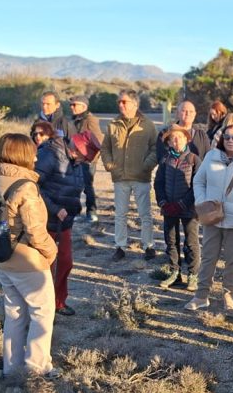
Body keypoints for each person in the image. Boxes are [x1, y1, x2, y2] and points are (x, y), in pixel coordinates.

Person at [0, 133, 59, 380]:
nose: (36, 157)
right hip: (28, 261)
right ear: (22, 155)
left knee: (14, 313)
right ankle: (37, 369)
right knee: (42, 313)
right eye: (32, 153)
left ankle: (12, 367)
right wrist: (51, 252)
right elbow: (35, 231)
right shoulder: (26, 187)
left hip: (2, 257)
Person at [186, 117, 233, 311]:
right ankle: (201, 295)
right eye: (227, 137)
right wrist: (202, 201)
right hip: (212, 217)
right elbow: (199, 181)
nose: (230, 141)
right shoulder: (211, 157)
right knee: (208, 257)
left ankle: (229, 294)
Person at [32, 122, 85, 317]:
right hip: (46, 219)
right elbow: (33, 185)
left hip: (65, 221)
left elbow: (74, 188)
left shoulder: (77, 161)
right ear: (75, 149)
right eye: (84, 156)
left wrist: (75, 207)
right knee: (46, 265)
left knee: (65, 261)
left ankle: (58, 302)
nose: (84, 160)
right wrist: (54, 208)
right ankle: (42, 307)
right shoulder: (50, 154)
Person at [101, 90, 158, 261]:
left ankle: (148, 246)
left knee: (145, 214)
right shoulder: (113, 124)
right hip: (120, 177)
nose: (121, 105)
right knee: (120, 214)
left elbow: (156, 148)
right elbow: (105, 148)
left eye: (124, 102)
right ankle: (120, 246)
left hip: (141, 177)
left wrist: (146, 166)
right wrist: (110, 165)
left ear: (135, 104)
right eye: (119, 102)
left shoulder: (148, 125)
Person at [154, 126, 202, 290]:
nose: (177, 141)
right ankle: (175, 272)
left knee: (191, 242)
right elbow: (158, 183)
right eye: (173, 138)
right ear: (169, 142)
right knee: (171, 241)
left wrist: (182, 204)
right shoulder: (165, 160)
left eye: (180, 137)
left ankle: (193, 275)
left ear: (186, 139)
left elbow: (198, 185)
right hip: (169, 209)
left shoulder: (194, 159)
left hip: (189, 209)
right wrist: (163, 202)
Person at [67, 94, 104, 223]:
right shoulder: (72, 120)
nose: (72, 107)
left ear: (84, 107)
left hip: (87, 160)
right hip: (74, 158)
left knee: (87, 186)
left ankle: (91, 212)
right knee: (74, 186)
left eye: (74, 105)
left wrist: (90, 158)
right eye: (71, 105)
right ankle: (76, 211)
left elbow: (98, 141)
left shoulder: (90, 120)